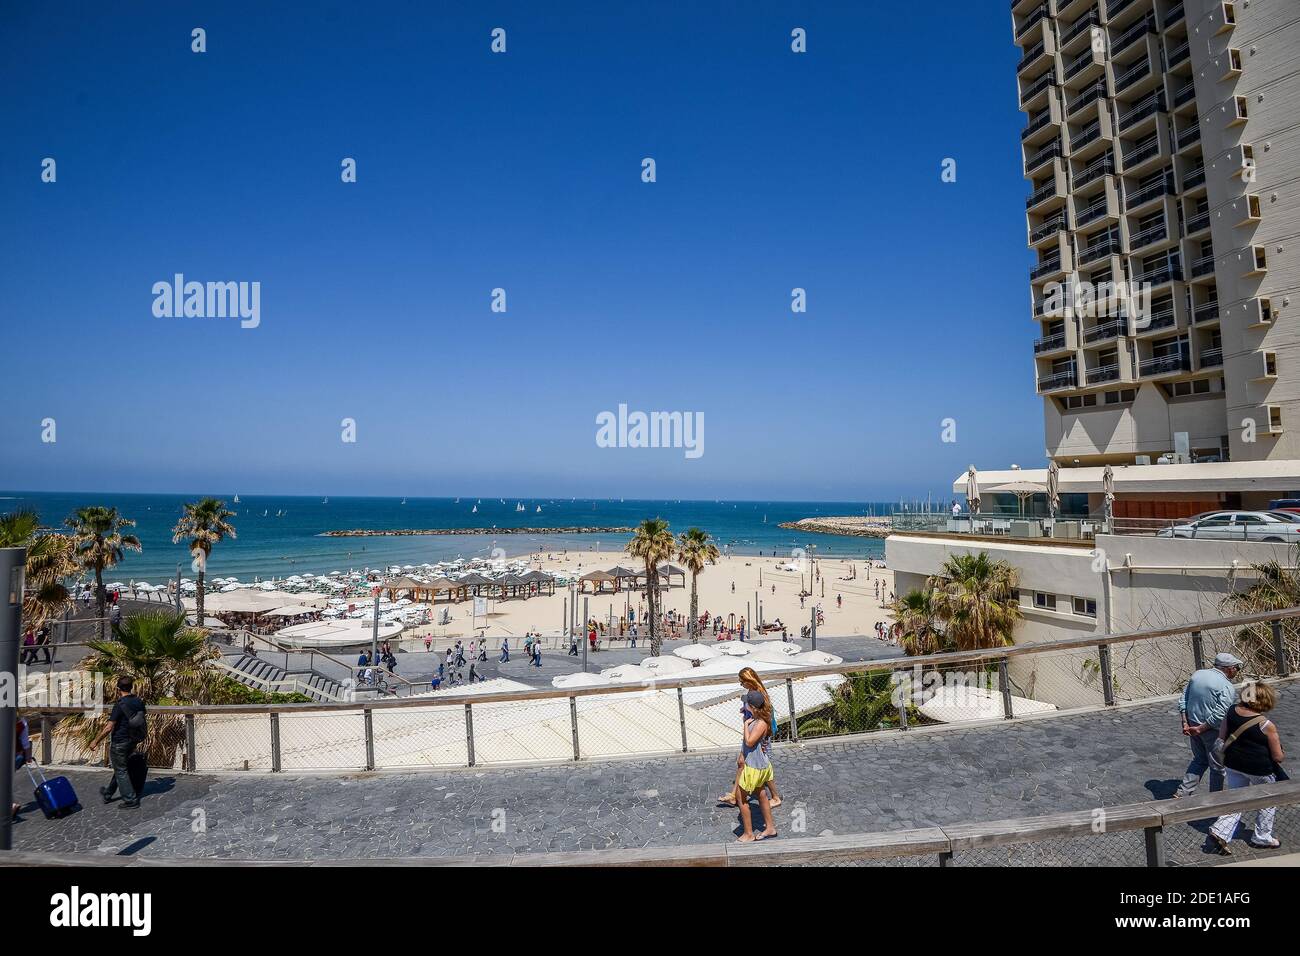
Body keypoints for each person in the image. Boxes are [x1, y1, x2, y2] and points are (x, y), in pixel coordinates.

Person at [1209, 681, 1286, 853]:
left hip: (1233, 764)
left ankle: (1220, 830)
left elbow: (1222, 738)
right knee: (1268, 801)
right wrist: (1282, 751)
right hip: (1260, 769)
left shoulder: (1230, 712)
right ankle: (1262, 836)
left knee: (1236, 799)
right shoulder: (1266, 725)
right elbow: (1277, 757)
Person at [1175, 652, 1241, 797]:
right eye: (1237, 668)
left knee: (1199, 759)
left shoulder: (1197, 675)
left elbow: (1183, 700)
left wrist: (1186, 723)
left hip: (1192, 725)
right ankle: (1215, 799)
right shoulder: (1227, 686)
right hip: (1211, 730)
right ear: (1228, 668)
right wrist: (1201, 729)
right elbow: (1220, 713)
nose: (1237, 671)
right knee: (1217, 767)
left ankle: (1182, 793)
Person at [718, 668, 781, 811]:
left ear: (748, 680)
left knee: (763, 765)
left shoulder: (760, 695)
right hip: (750, 730)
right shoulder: (752, 693)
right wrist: (745, 711)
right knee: (742, 763)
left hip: (758, 734)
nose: (741, 684)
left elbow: (765, 716)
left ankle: (775, 797)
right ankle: (734, 795)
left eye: (742, 682)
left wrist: (761, 734)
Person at [91, 676, 146, 809]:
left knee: (121, 770)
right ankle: (108, 793)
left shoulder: (120, 704)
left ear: (118, 689)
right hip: (132, 740)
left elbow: (109, 727)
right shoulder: (138, 701)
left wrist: (95, 741)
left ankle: (131, 800)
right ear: (131, 687)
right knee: (120, 767)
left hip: (120, 741)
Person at [735, 690, 777, 843]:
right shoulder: (757, 718)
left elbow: (749, 742)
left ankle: (748, 833)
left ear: (751, 706)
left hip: (755, 767)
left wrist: (745, 725)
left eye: (746, 703)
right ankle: (770, 828)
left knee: (741, 798)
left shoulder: (760, 723)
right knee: (761, 794)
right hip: (758, 764)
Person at [12, 715, 32, 820]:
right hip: (18, 756)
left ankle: (12, 805)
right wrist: (28, 756)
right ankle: (11, 805)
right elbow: (25, 742)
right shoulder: (22, 722)